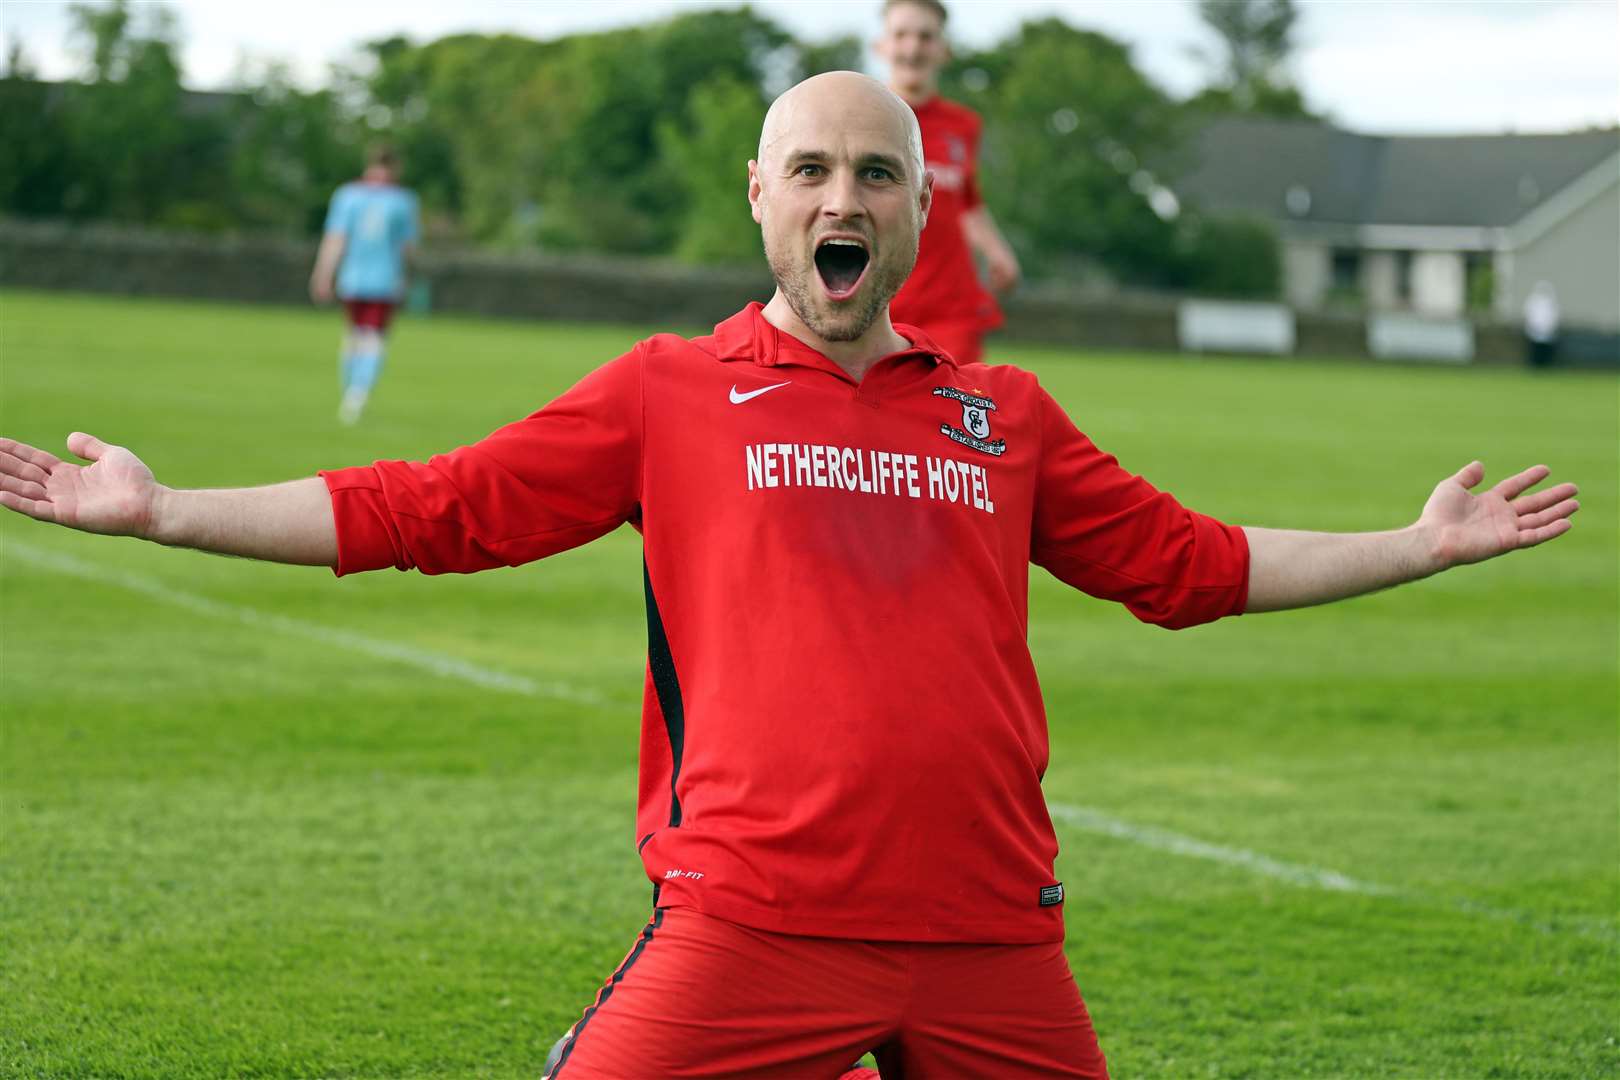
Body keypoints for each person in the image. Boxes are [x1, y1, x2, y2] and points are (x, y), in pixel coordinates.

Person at [0, 73, 1579, 1079]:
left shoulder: (1000, 415)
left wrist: (1418, 545)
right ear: (761, 196)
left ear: (915, 210)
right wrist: (164, 510)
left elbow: (1192, 565)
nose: (844, 199)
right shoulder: (667, 393)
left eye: (876, 175)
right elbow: (431, 507)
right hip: (756, 925)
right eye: (811, 169)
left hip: (992, 938)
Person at [876, 0, 1021, 365]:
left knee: (955, 409)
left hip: (950, 304)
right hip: (879, 299)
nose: (912, 47)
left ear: (943, 50)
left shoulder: (963, 125)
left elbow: (966, 201)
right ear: (881, 46)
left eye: (925, 37)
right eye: (901, 35)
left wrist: (997, 250)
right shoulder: (863, 119)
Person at [308, 144, 420, 425]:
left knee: (353, 335)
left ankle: (349, 389)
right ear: (394, 167)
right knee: (374, 338)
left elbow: (335, 239)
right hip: (384, 280)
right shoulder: (403, 200)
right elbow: (407, 248)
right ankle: (357, 393)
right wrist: (409, 277)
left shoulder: (347, 195)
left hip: (352, 279)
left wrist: (323, 274)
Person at [1523, 280, 1560, 369]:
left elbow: (1554, 316)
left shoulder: (1551, 303)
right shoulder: (1533, 302)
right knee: (1535, 350)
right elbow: (1529, 315)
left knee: (1545, 351)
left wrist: (1549, 327)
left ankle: (1545, 366)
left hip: (1547, 332)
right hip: (1535, 331)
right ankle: (1535, 365)